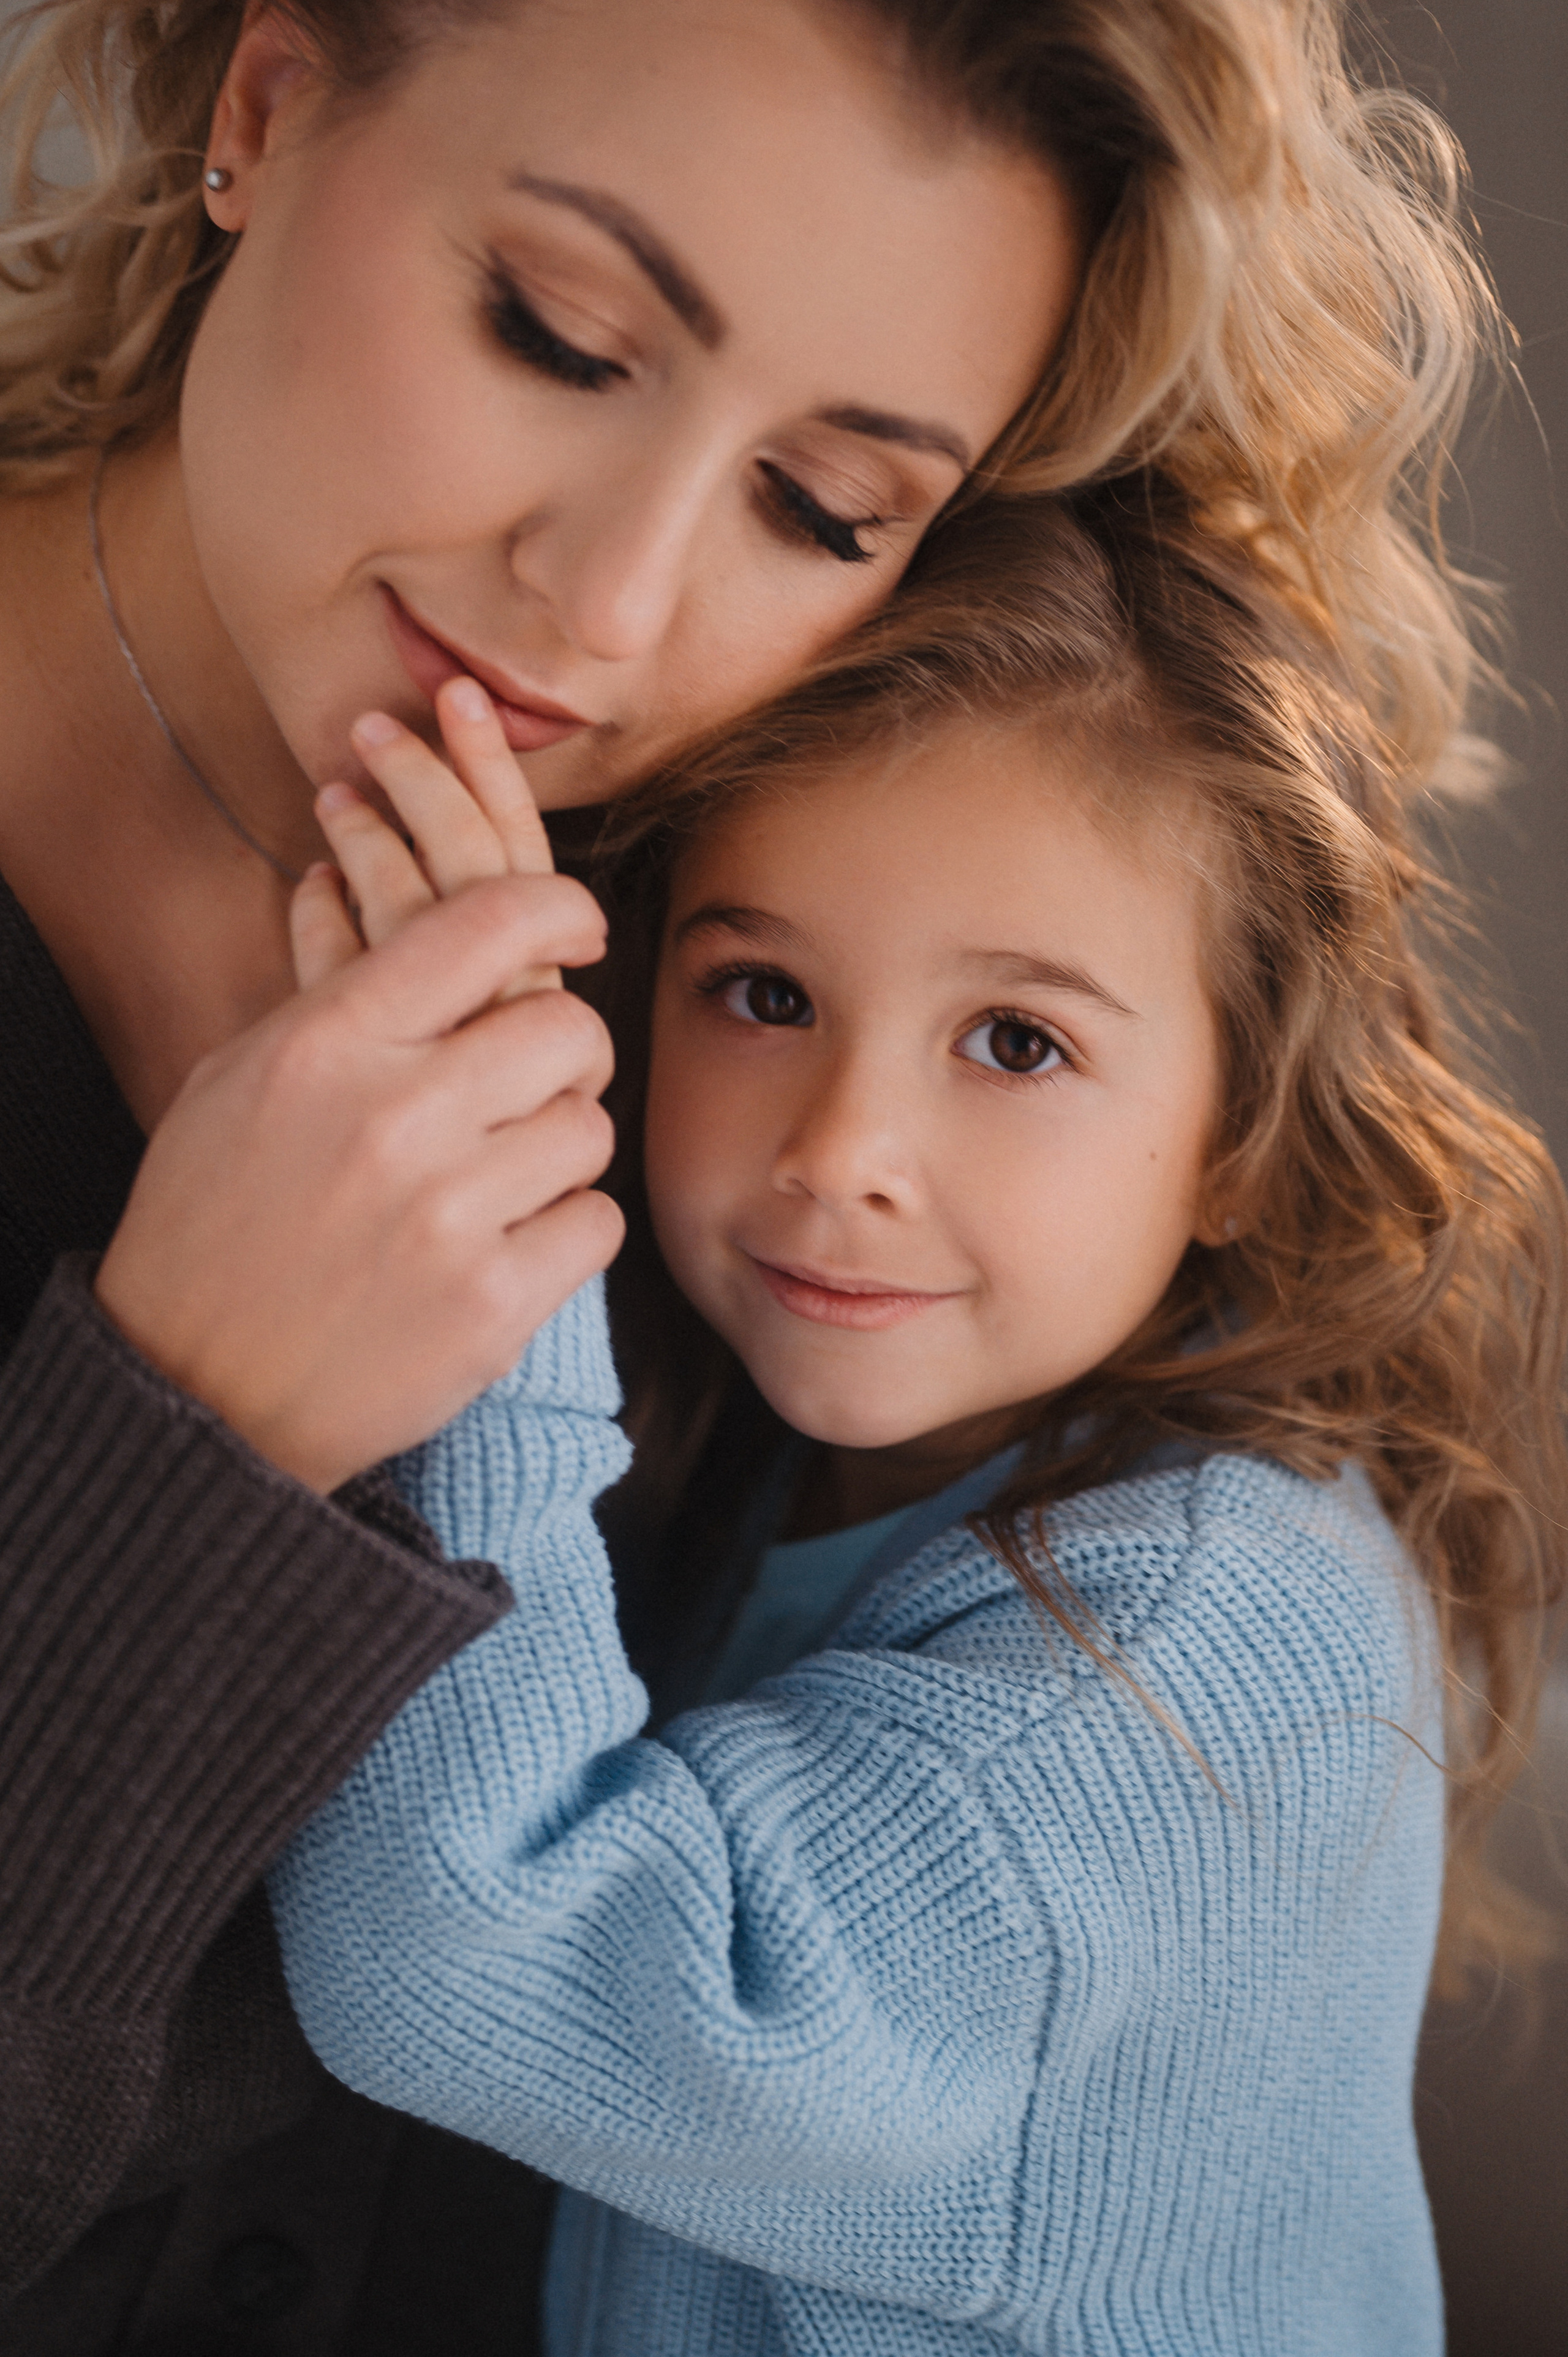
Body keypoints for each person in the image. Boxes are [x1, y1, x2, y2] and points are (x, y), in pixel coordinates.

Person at [0, 0, 1507, 2345]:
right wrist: (176, 1442)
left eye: (826, 507)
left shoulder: (778, 902)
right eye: (558, 331)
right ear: (267, 113)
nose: (602, 613)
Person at [266, 483, 1568, 2356]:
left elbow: (467, 1951)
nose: (842, 1154)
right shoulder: (850, 1455)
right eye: (764, 993)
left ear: (1241, 1136)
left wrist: (493, 1207)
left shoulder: (1193, 1648)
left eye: (1017, 1042)